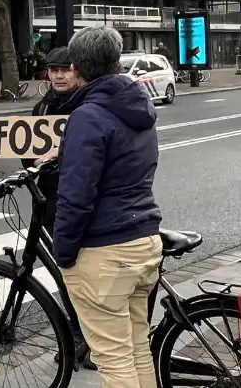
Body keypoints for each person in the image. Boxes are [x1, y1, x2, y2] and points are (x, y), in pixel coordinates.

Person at [55, 26, 163, 388]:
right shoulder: (139, 106)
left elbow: (76, 195)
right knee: (137, 348)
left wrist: (64, 252)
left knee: (113, 359)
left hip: (105, 248)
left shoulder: (88, 116)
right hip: (144, 237)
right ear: (117, 61)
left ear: (76, 67)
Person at [25, 46, 95, 370]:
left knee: (89, 274)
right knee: (66, 274)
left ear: (76, 71)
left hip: (85, 202)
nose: (57, 76)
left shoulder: (88, 105)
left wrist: (62, 155)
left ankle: (97, 340)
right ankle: (79, 337)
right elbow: (25, 152)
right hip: (53, 201)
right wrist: (36, 161)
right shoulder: (41, 108)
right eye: (52, 70)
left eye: (63, 70)